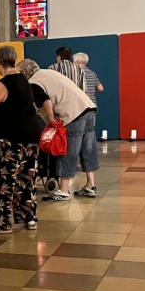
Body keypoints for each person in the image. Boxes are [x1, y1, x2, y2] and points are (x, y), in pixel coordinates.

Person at [0, 45, 40, 233]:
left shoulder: (3, 83)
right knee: (27, 180)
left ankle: (2, 224)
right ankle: (28, 218)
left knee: (5, 182)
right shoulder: (24, 80)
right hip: (31, 136)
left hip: (10, 139)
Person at [18, 59, 99, 202]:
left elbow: (46, 101)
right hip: (89, 108)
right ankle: (90, 185)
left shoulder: (34, 82)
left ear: (24, 72)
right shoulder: (48, 73)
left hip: (73, 113)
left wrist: (52, 120)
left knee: (67, 151)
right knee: (87, 149)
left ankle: (64, 190)